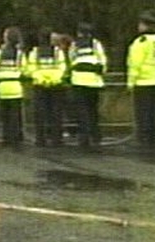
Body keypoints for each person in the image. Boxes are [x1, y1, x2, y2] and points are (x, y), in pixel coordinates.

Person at [68, 22, 108, 151]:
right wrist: (101, 72)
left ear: (79, 32)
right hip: (94, 81)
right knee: (93, 111)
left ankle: (84, 138)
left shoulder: (75, 44)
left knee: (82, 112)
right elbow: (102, 59)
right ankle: (96, 136)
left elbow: (71, 59)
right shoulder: (95, 44)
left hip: (79, 81)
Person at [27, 27, 68, 147]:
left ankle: (41, 139)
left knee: (40, 114)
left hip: (40, 85)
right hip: (55, 84)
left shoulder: (35, 52)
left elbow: (31, 68)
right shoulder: (57, 52)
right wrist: (54, 79)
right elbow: (62, 67)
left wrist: (41, 79)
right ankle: (57, 139)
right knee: (56, 113)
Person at [126, 11, 155, 152]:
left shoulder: (141, 42)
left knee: (144, 112)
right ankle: (154, 136)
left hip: (144, 82)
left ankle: (145, 138)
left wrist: (130, 82)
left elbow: (135, 64)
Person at [0, 26, 27, 148]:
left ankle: (5, 138)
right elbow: (24, 69)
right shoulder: (19, 54)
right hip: (15, 86)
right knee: (15, 115)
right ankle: (16, 138)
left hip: (2, 86)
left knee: (5, 115)